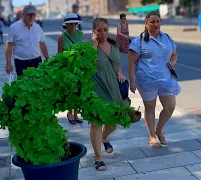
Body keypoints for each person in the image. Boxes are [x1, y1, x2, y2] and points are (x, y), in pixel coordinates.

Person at [128, 12, 181, 148]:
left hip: (165, 79)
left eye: (158, 21)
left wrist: (173, 62)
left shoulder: (167, 38)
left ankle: (159, 129)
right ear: (146, 24)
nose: (156, 24)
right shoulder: (138, 41)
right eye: (152, 22)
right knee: (150, 108)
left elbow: (174, 54)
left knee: (170, 107)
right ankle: (152, 135)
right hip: (146, 81)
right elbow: (132, 61)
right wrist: (132, 81)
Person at [90, 18, 128, 171]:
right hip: (96, 88)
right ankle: (98, 158)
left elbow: (118, 62)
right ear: (94, 31)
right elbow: (88, 65)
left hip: (113, 87)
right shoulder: (89, 47)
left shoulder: (114, 45)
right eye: (99, 30)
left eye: (105, 29)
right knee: (96, 124)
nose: (103, 33)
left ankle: (105, 138)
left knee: (114, 121)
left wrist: (120, 73)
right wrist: (93, 46)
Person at [5, 5, 49, 76]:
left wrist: (48, 59)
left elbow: (42, 45)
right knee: (23, 85)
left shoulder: (38, 28)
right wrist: (8, 63)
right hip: (21, 63)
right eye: (29, 15)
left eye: (33, 15)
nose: (31, 17)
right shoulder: (14, 27)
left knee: (37, 84)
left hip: (37, 62)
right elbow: (9, 46)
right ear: (23, 14)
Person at [58, 13, 84, 124]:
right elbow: (59, 54)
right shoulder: (62, 37)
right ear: (66, 25)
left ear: (77, 24)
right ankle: (69, 112)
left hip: (78, 67)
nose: (73, 26)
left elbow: (83, 49)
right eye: (70, 24)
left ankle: (76, 113)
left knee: (78, 90)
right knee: (70, 91)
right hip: (68, 67)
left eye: (75, 23)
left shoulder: (80, 34)